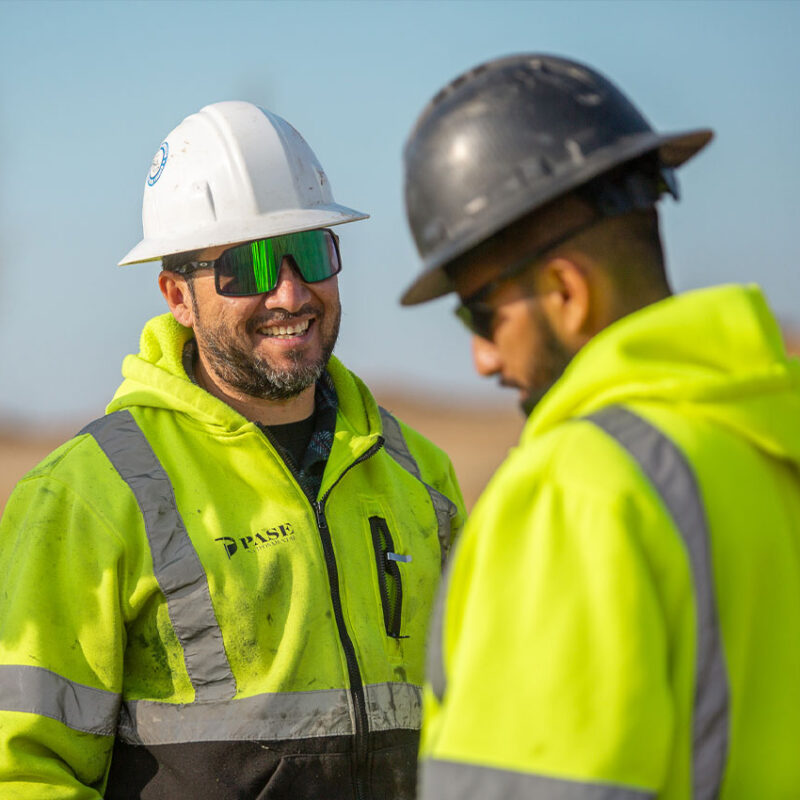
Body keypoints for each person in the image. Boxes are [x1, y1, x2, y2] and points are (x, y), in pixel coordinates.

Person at [0, 101, 465, 799]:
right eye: (245, 266)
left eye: (311, 252)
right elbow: (24, 770)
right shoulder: (86, 496)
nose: (289, 291)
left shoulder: (420, 476)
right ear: (176, 296)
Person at [400, 54, 800, 799]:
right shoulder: (768, 439)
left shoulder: (575, 492)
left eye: (479, 311)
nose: (482, 357)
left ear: (564, 292)